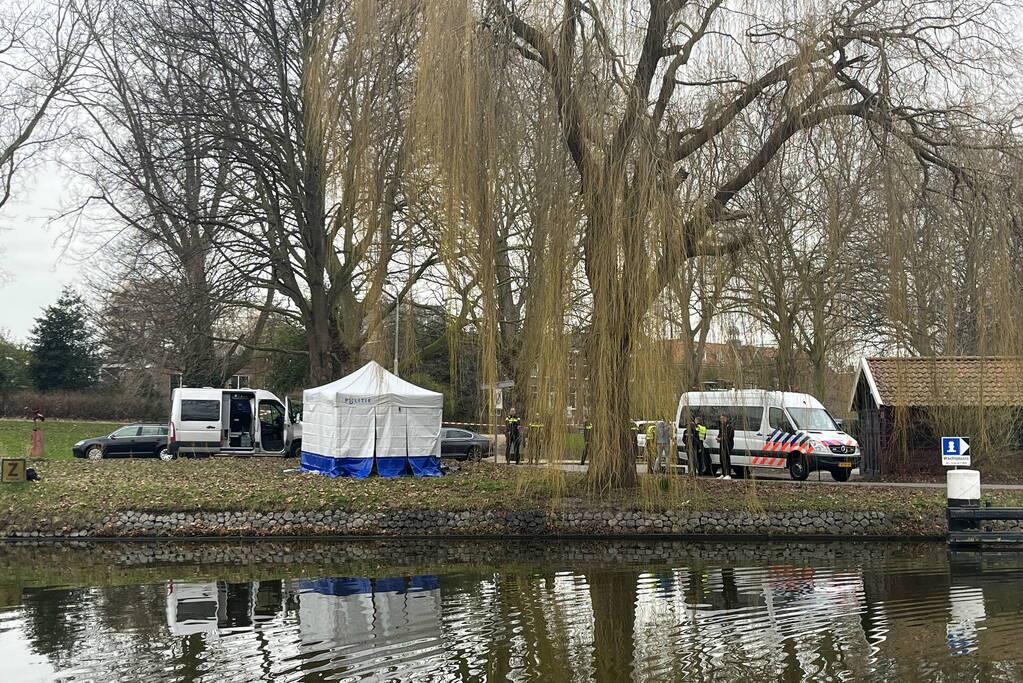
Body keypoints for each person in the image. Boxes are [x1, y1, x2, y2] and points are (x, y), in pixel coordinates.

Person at [717, 413, 734, 479]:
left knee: (726, 459)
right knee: (721, 459)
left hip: (727, 444)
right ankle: (723, 473)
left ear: (726, 418)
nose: (721, 420)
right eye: (720, 418)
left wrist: (721, 439)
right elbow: (720, 434)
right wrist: (718, 438)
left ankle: (728, 474)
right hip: (722, 444)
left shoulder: (729, 426)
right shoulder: (722, 426)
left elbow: (729, 436)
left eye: (722, 418)